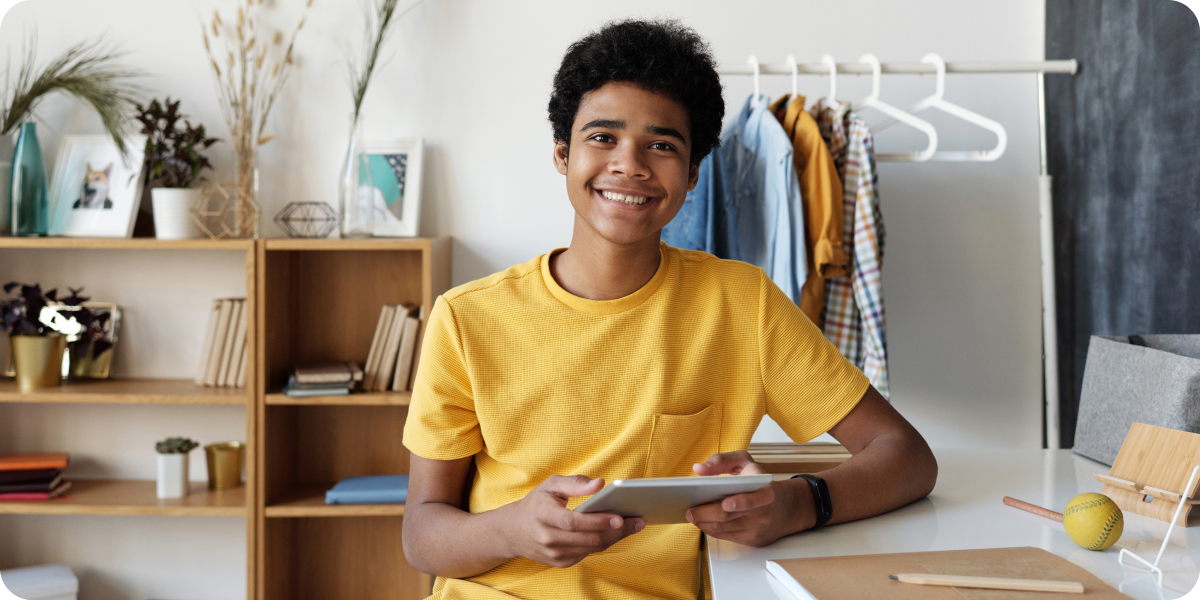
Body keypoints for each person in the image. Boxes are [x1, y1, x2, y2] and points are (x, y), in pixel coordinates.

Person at [402, 18, 938, 600]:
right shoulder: (464, 318)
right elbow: (422, 534)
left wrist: (794, 502)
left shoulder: (742, 303)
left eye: (662, 145)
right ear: (563, 154)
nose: (630, 164)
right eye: (602, 137)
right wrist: (512, 530)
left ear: (692, 175)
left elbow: (906, 457)